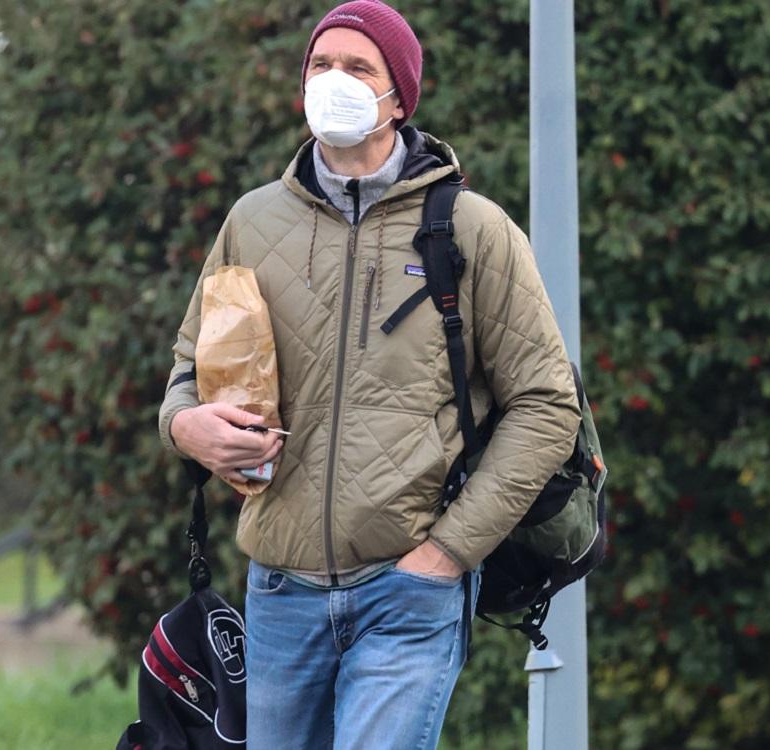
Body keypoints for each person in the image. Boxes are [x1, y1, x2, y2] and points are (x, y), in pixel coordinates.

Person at [157, 1, 581, 747]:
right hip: (280, 590)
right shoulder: (252, 222)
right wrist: (187, 426)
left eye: (358, 67)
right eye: (321, 65)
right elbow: (188, 371)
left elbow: (546, 406)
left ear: (398, 96)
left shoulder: (472, 229)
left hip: (408, 591)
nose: (334, 80)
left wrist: (446, 556)